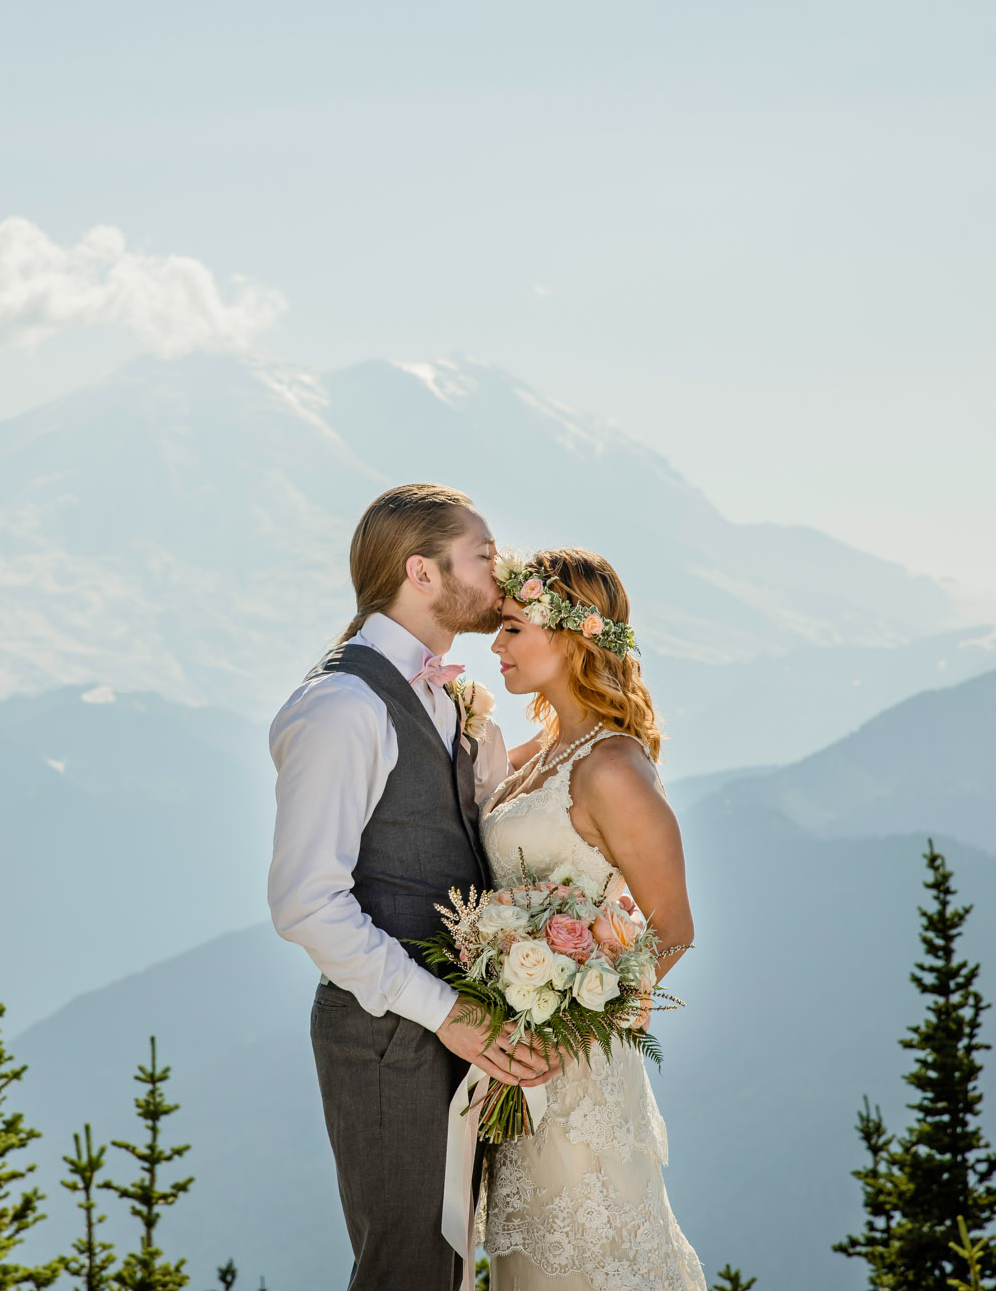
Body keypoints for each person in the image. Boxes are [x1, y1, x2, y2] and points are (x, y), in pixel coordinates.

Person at [268, 483, 558, 1291]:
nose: (500, 575)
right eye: (485, 556)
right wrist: (450, 1012)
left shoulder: (448, 696)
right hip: (387, 1035)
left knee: (455, 1269)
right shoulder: (340, 705)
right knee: (407, 1268)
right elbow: (304, 903)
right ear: (421, 572)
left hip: (456, 1028)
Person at [479, 546, 705, 1290]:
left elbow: (672, 924)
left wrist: (567, 1018)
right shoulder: (539, 751)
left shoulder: (610, 765)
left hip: (575, 1070)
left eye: (511, 627)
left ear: (570, 635)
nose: (496, 644)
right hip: (514, 1058)